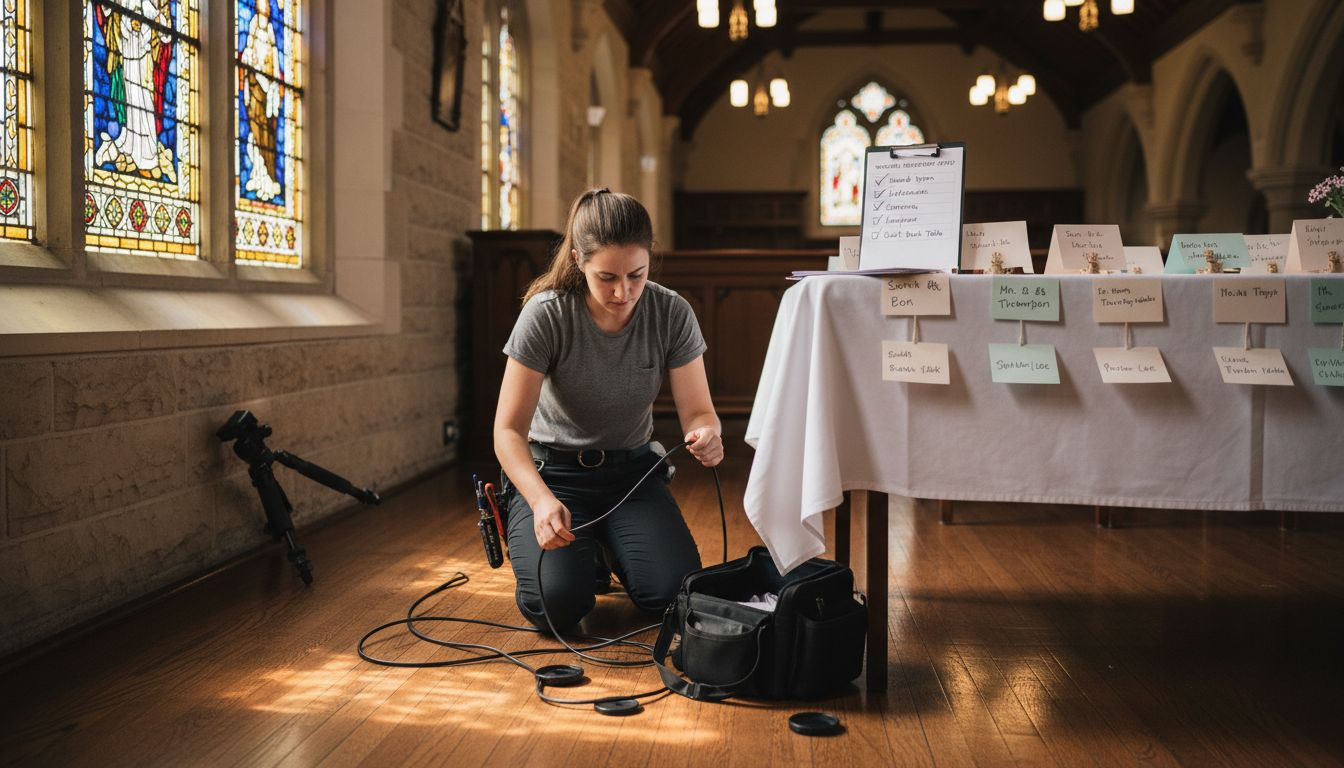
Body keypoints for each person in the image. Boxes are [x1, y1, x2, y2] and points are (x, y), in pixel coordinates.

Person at [494, 188, 723, 632]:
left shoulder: (671, 312)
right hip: (553, 477)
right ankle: (584, 547)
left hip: (632, 475)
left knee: (675, 595)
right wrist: (540, 502)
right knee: (556, 605)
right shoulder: (546, 314)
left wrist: (708, 433)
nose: (624, 292)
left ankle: (606, 543)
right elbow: (507, 431)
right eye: (607, 278)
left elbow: (699, 413)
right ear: (578, 260)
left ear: (650, 259)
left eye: (637, 275)